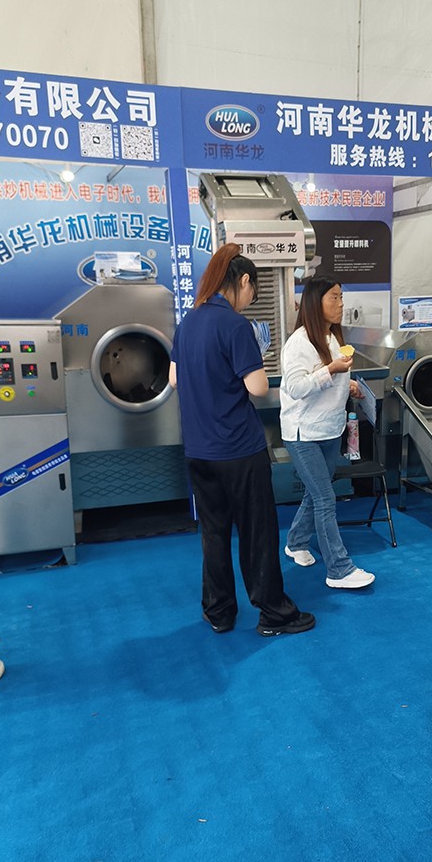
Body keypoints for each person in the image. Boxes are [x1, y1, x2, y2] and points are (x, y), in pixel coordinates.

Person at [169, 243, 315, 638]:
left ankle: (218, 611)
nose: (251, 299)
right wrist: (253, 356)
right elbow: (258, 387)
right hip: (238, 449)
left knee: (214, 532)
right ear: (244, 280)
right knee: (256, 532)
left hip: (199, 451)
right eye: (253, 291)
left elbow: (174, 379)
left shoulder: (188, 322)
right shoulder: (235, 326)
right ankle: (274, 613)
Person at [279, 276, 375, 590]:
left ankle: (295, 542)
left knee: (315, 493)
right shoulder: (300, 342)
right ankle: (339, 569)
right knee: (324, 498)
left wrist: (348, 384)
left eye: (341, 297)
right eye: (334, 297)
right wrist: (331, 370)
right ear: (314, 302)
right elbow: (296, 387)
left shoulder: (332, 337)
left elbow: (326, 381)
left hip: (330, 429)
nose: (341, 304)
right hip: (303, 433)